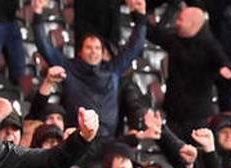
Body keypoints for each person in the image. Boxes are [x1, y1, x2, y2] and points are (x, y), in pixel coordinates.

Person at [31, 0, 148, 138]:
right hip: (77, 140)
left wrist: (140, 16)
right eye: (89, 47)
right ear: (80, 52)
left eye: (97, 48)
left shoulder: (113, 70)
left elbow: (135, 46)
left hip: (107, 142)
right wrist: (37, 13)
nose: (93, 51)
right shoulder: (69, 68)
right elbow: (44, 46)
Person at [148, 5, 231, 138]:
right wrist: (139, 15)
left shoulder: (209, 45)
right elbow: (154, 34)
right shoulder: (175, 40)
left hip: (198, 115)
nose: (177, 22)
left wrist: (223, 68)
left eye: (181, 20)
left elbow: (222, 61)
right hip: (174, 112)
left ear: (192, 24)